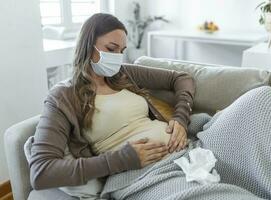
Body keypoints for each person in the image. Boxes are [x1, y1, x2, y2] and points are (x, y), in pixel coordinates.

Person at [29, 13, 195, 190]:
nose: (118, 57)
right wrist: (121, 160)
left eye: (122, 51)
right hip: (144, 176)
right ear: (88, 46)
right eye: (111, 48)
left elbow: (182, 78)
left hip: (187, 150)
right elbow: (41, 172)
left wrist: (181, 118)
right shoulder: (63, 97)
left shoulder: (122, 74)